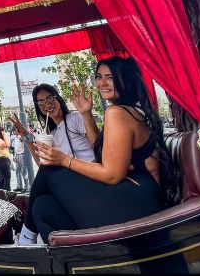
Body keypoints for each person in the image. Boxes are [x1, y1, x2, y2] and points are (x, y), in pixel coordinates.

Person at [24, 57, 176, 243]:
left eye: (110, 77)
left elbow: (112, 175)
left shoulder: (117, 113)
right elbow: (101, 151)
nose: (102, 83)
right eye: (98, 76)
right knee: (42, 207)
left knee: (49, 169)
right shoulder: (126, 110)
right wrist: (86, 113)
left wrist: (63, 160)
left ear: (126, 79)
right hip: (130, 195)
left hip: (139, 202)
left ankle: (25, 235)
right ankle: (79, 256)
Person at [11, 82, 99, 243]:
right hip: (72, 183)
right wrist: (26, 137)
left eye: (50, 98)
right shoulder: (53, 132)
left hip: (90, 179)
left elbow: (98, 146)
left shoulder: (74, 118)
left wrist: (86, 113)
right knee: (40, 204)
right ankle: (41, 245)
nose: (47, 104)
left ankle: (25, 234)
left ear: (58, 98)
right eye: (41, 102)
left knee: (46, 172)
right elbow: (42, 164)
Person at [0, 126, 13, 191]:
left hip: (1, 160)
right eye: (3, 131)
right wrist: (4, 136)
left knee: (4, 178)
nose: (4, 132)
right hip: (1, 160)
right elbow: (7, 145)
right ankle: (8, 192)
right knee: (7, 177)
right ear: (1, 132)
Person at [11, 127, 30, 192]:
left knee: (24, 171)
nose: (13, 132)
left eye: (14, 131)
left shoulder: (20, 137)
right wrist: (14, 155)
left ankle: (26, 187)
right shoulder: (15, 138)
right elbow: (15, 148)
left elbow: (26, 139)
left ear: (16, 130)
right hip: (17, 155)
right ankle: (19, 186)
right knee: (18, 171)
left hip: (21, 154)